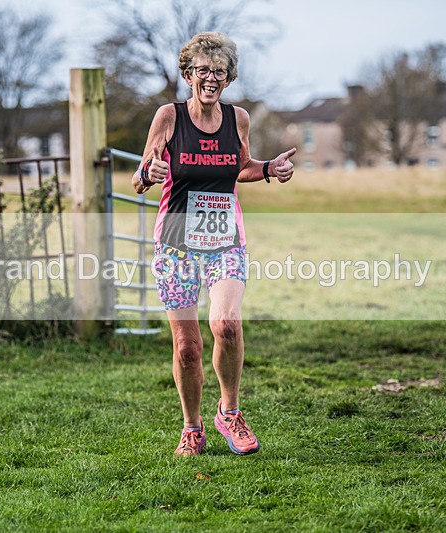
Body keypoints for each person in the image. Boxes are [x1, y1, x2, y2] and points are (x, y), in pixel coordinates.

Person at [132, 32, 296, 457]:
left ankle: (229, 411)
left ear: (228, 77)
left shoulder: (238, 118)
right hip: (175, 243)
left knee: (226, 324)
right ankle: (192, 426)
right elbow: (142, 175)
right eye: (202, 70)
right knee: (187, 348)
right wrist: (147, 175)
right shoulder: (168, 117)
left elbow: (240, 168)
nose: (211, 78)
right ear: (188, 75)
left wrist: (269, 169)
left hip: (225, 239)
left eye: (219, 71)